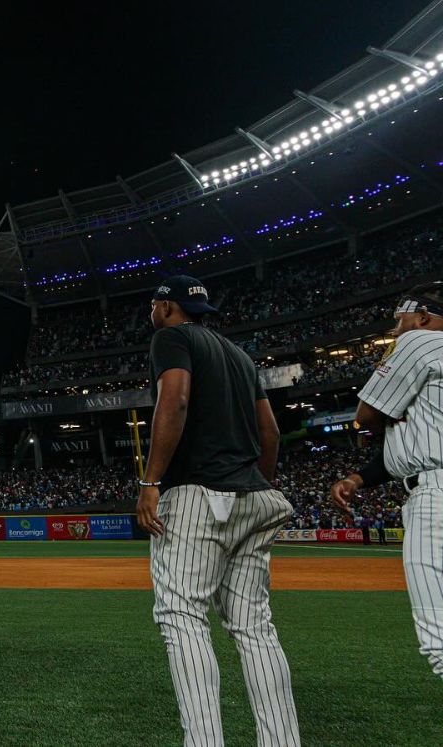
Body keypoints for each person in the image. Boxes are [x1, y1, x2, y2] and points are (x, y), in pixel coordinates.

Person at [136, 275, 300, 746]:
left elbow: (177, 398)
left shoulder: (171, 336)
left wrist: (151, 481)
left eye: (154, 304)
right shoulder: (239, 354)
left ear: (168, 306)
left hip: (197, 494)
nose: (152, 311)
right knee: (254, 628)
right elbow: (269, 432)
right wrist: (256, 484)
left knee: (182, 616)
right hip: (253, 494)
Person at [330, 280, 443, 678]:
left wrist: (392, 410)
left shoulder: (420, 342)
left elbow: (366, 416)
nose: (397, 330)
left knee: (439, 641)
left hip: (436, 497)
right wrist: (360, 478)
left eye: (402, 320)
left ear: (424, 317)